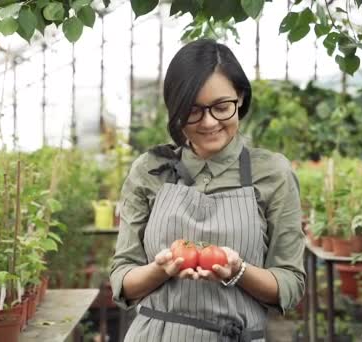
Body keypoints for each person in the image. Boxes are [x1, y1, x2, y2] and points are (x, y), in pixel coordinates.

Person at [110, 39, 306, 342]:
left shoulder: (273, 174)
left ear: (240, 98)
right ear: (176, 109)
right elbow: (123, 278)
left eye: (222, 107)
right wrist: (162, 269)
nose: (209, 122)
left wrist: (239, 271)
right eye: (193, 111)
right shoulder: (149, 170)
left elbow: (290, 285)